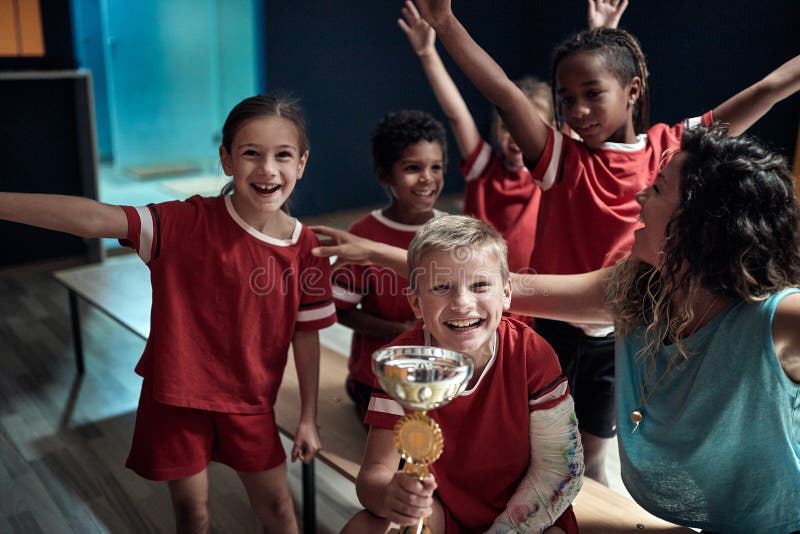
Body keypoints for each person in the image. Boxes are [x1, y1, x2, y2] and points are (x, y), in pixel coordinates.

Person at [311, 123, 800, 532]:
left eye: (657, 187)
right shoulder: (633, 291)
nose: (638, 193)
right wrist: (379, 253)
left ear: (698, 221)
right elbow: (485, 285)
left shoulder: (777, 317)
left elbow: (489, 288)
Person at [404, 0, 799, 485]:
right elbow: (505, 95)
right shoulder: (562, 159)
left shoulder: (672, 150)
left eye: (592, 93)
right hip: (555, 326)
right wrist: (445, 23)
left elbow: (770, 88)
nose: (578, 110)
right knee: (535, 447)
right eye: (567, 100)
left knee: (598, 452)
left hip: (626, 329)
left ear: (633, 91)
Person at [0, 94, 337, 533]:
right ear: (227, 160)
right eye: (251, 153)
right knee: (192, 514)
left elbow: (305, 335)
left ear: (302, 164)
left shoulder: (307, 246)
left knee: (277, 509)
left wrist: (308, 417)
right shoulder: (184, 222)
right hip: (177, 398)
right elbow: (94, 220)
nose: (268, 169)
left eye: (283, 155)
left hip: (251, 403)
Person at [341, 215, 583, 534]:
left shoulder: (531, 354)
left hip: (526, 515)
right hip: (442, 512)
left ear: (506, 292)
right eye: (442, 287)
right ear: (415, 302)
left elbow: (560, 471)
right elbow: (373, 476)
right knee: (364, 527)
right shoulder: (403, 361)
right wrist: (392, 496)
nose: (462, 303)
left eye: (480, 285)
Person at [397, 0, 628, 278]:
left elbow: (578, 126)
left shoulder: (557, 171)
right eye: (508, 128)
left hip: (539, 299)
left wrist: (600, 34)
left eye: (528, 129)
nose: (517, 138)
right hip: (482, 291)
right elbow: (457, 114)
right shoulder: (485, 170)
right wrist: (427, 53)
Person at [333, 109, 447, 419]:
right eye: (413, 168)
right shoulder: (362, 235)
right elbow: (339, 310)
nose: (427, 178)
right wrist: (397, 331)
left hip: (440, 379)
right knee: (398, 455)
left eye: (436, 167)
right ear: (385, 176)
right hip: (375, 381)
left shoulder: (453, 233)